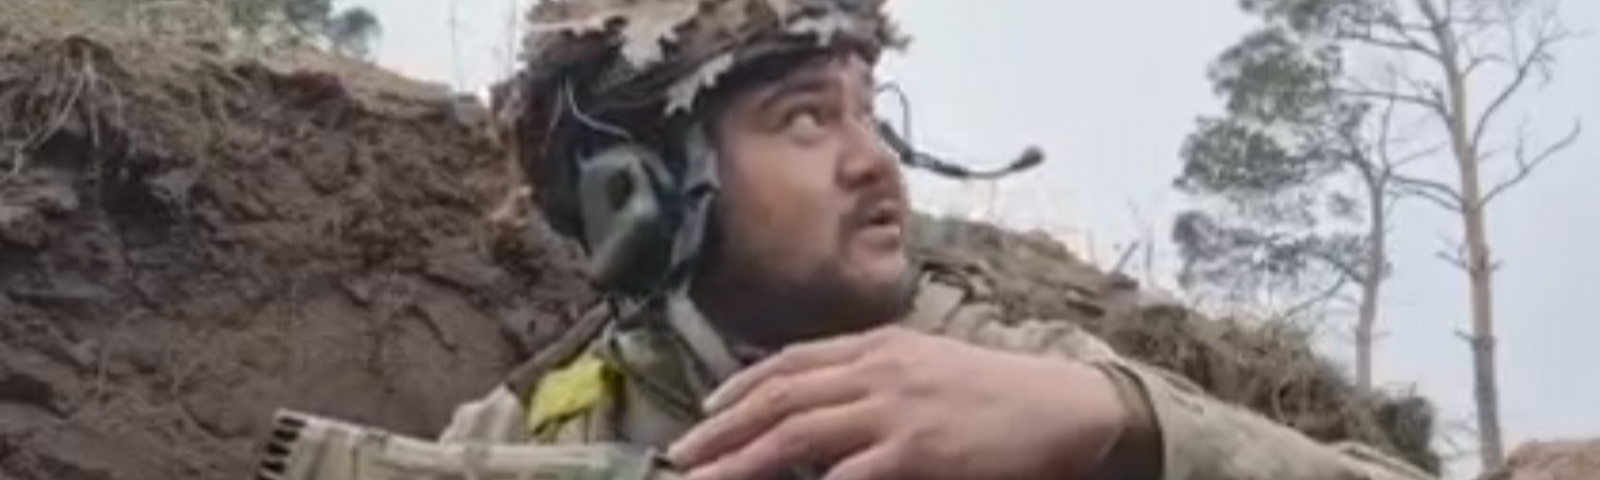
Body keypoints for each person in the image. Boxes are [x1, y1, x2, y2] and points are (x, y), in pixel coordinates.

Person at [438, 0, 1440, 479]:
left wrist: (1118, 419)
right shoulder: (531, 436)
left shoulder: (1006, 379)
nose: (874, 161)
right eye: (803, 118)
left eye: (870, 112)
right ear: (639, 194)